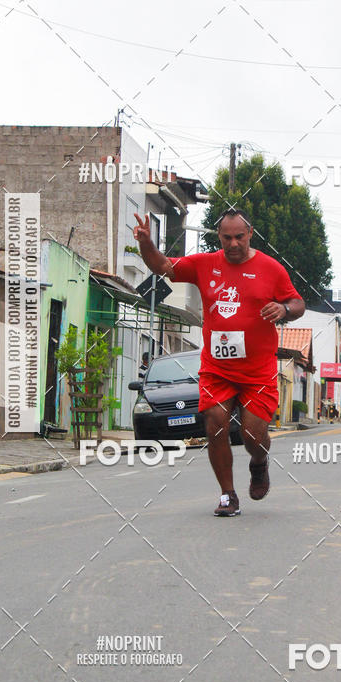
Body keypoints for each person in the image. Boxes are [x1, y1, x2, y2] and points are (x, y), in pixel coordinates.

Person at [133, 208, 305, 516]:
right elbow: (161, 266)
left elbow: (297, 303)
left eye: (240, 237)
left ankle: (259, 461)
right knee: (215, 425)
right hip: (218, 368)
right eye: (227, 238)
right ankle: (228, 495)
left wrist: (283, 309)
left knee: (253, 434)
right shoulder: (204, 265)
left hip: (257, 370)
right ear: (220, 238)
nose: (234, 243)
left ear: (250, 234)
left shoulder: (271, 268)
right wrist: (146, 243)